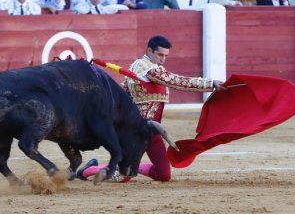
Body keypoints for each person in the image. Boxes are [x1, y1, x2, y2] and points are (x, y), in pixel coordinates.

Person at [76, 35, 226, 182]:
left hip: (153, 130)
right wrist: (210, 83)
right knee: (122, 176)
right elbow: (177, 81)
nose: (163, 59)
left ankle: (130, 167)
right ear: (149, 51)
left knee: (163, 174)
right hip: (135, 132)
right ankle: (88, 170)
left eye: (166, 56)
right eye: (160, 54)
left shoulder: (149, 68)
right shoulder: (144, 67)